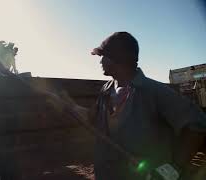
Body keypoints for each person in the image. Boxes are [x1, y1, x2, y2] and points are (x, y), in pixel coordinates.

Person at [85, 31, 206, 180]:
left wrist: (173, 168)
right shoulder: (106, 90)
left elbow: (197, 125)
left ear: (116, 59)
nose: (100, 61)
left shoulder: (154, 92)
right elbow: (93, 117)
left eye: (103, 56)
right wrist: (67, 105)